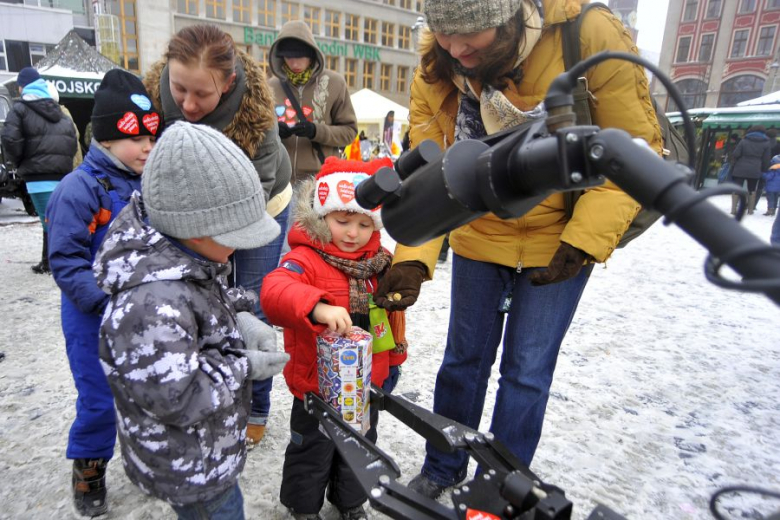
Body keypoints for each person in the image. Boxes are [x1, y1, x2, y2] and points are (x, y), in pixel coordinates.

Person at [374, 0, 663, 499]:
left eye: (471, 36)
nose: (457, 50)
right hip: (478, 234)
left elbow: (633, 149)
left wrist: (582, 242)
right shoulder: (437, 65)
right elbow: (426, 176)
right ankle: (443, 466)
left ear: (510, 18)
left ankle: (504, 486)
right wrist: (413, 260)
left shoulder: (588, 34)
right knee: (462, 362)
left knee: (527, 373)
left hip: (559, 239)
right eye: (445, 35)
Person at [94, 122, 289, 519]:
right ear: (197, 232)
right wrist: (243, 366)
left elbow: (203, 298)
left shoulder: (181, 256)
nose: (239, 247)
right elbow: (176, 398)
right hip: (190, 468)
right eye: (236, 234)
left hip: (207, 451)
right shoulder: (148, 305)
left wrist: (242, 316)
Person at [144, 23, 293, 445]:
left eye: (202, 94)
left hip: (260, 208)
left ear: (227, 85)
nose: (188, 104)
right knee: (202, 298)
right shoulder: (154, 95)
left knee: (251, 300)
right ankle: (216, 393)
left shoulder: (257, 115)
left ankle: (256, 404)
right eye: (179, 89)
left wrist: (213, 255)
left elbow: (251, 205)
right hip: (192, 214)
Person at [45, 69, 161, 517]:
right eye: (138, 139)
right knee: (98, 399)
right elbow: (66, 261)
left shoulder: (150, 185)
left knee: (147, 393)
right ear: (107, 138)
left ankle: (148, 460)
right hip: (92, 316)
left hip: (143, 316)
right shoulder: (78, 188)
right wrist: (104, 301)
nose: (148, 147)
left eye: (154, 137)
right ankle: (89, 469)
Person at [260, 157, 396, 520]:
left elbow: (390, 319)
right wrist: (317, 307)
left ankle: (350, 502)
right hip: (316, 387)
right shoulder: (305, 259)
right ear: (323, 217)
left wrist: (392, 362)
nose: (353, 232)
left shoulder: (379, 264)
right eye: (343, 221)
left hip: (365, 385)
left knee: (360, 448)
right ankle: (303, 508)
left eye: (364, 223)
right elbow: (274, 291)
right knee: (312, 452)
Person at [1, 66, 77, 274]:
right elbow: (72, 141)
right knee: (52, 218)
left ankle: (54, 262)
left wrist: (18, 163)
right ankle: (48, 261)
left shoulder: (20, 109)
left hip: (37, 176)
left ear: (22, 87)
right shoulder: (59, 112)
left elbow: (9, 139)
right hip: (61, 174)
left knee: (48, 220)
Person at [268, 20, 358, 185]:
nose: (294, 63)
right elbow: (255, 133)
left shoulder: (335, 83)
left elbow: (349, 132)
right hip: (279, 183)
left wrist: (316, 131)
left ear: (311, 54)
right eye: (288, 57)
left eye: (300, 56)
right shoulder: (270, 86)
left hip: (320, 182)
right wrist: (272, 131)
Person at [730, 125, 772, 215]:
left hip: (740, 167)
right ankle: (750, 210)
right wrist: (764, 170)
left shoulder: (744, 140)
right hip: (755, 168)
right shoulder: (766, 143)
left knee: (737, 188)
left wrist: (734, 164)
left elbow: (736, 154)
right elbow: (766, 159)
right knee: (752, 189)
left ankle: (734, 209)